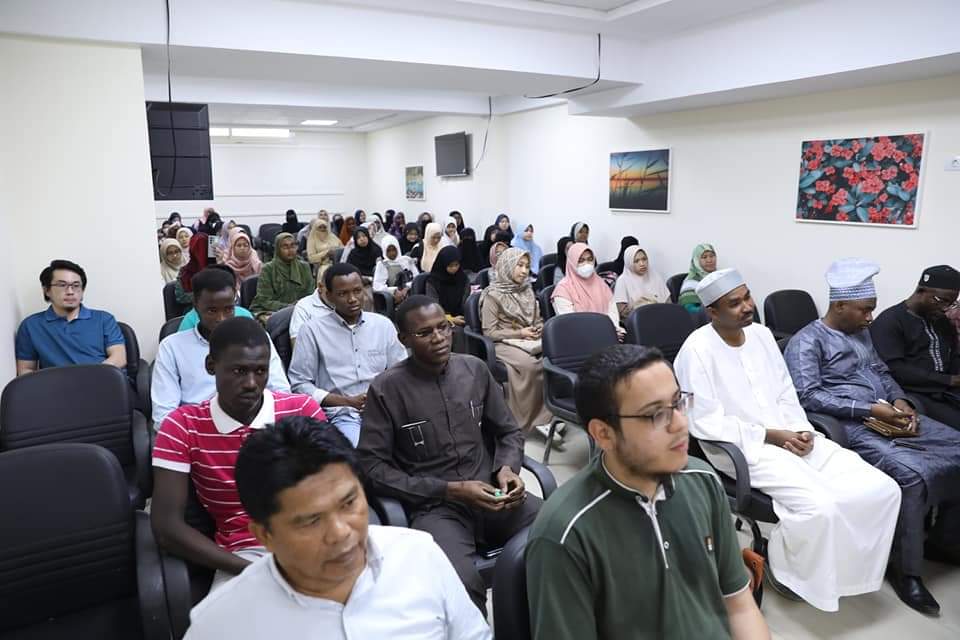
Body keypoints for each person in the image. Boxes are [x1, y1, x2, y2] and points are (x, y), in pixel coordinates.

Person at [674, 269, 901, 611]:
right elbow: (705, 422)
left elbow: (785, 392)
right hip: (741, 447)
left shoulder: (762, 335)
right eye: (734, 303)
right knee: (821, 506)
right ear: (712, 312)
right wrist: (771, 436)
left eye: (747, 297)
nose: (747, 307)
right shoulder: (696, 351)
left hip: (789, 432)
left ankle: (843, 573)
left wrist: (800, 430)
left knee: (883, 489)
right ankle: (785, 569)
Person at [526, 344, 770, 640]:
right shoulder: (565, 532)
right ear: (604, 434)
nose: (680, 423)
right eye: (656, 414)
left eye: (678, 403)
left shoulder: (702, 480)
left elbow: (739, 606)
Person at [183, 417, 491, 640]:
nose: (341, 533)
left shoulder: (418, 555)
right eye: (311, 520)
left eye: (349, 503)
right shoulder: (219, 626)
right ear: (265, 535)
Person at [784, 258, 960, 615]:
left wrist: (900, 400)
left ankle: (943, 542)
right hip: (850, 425)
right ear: (840, 306)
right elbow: (809, 397)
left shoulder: (861, 334)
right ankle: (906, 570)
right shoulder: (807, 342)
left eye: (872, 309)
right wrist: (869, 410)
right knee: (912, 476)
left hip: (888, 412)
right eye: (865, 310)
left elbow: (881, 370)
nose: (870, 318)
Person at [357, 296, 539, 611]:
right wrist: (450, 490)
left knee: (561, 534)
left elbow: (508, 431)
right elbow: (372, 469)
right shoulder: (386, 389)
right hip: (437, 507)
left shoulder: (474, 370)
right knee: (457, 583)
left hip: (494, 493)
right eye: (424, 333)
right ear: (404, 339)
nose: (439, 338)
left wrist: (507, 470)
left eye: (443, 327)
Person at [151, 317, 324, 590]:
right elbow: (166, 527)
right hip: (244, 556)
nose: (252, 383)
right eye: (239, 371)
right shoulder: (182, 427)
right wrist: (256, 571)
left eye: (260, 371)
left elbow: (335, 492)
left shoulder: (302, 411)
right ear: (211, 366)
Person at [152, 268, 290, 426]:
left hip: (255, 425)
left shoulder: (257, 339)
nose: (221, 319)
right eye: (212, 311)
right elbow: (164, 415)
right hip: (197, 430)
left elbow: (281, 393)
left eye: (228, 309)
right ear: (196, 306)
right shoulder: (172, 348)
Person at [288, 264, 407, 446]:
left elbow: (402, 372)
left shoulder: (383, 326)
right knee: (359, 452)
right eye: (343, 294)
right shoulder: (312, 331)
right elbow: (299, 384)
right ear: (328, 296)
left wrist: (382, 400)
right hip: (342, 415)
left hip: (385, 410)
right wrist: (347, 401)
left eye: (357, 291)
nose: (352, 299)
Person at [870, 265, 960, 428]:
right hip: (917, 393)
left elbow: (954, 355)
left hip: (948, 390)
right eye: (941, 300)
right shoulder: (890, 321)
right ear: (921, 291)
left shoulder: (940, 320)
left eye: (951, 303)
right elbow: (895, 369)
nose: (945, 308)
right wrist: (950, 380)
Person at [480, 248, 554, 438]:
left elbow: (537, 319)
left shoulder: (527, 290)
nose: (524, 271)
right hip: (502, 342)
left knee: (551, 358)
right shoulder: (492, 295)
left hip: (528, 339)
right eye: (519, 265)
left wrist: (538, 328)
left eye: (527, 266)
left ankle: (546, 417)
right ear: (507, 266)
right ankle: (524, 421)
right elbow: (489, 332)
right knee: (529, 365)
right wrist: (520, 333)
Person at [15, 260, 126, 375]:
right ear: (47, 290)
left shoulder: (104, 319)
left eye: (76, 286)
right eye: (62, 285)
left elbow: (119, 358)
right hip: (57, 384)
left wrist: (90, 376)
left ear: (82, 290)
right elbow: (25, 369)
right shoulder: (31, 325)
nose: (70, 291)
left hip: (102, 379)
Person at [552, 243, 624, 339]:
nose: (587, 264)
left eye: (590, 259)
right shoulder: (563, 290)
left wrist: (612, 329)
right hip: (580, 338)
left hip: (607, 334)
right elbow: (570, 323)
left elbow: (612, 311)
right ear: (572, 262)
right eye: (581, 260)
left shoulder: (600, 283)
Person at [250, 232, 314, 323]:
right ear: (277, 249)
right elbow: (264, 300)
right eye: (285, 247)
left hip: (301, 310)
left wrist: (299, 306)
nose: (290, 250)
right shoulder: (268, 269)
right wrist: (288, 307)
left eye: (293, 246)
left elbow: (310, 294)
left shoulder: (304, 267)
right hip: (273, 311)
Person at [613, 246, 671, 321]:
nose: (642, 264)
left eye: (644, 259)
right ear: (629, 263)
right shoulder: (622, 281)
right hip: (638, 322)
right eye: (636, 261)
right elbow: (622, 312)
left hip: (662, 318)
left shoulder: (655, 276)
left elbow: (669, 303)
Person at [426, 246, 470, 328]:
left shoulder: (463, 278)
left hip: (462, 318)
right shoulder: (433, 281)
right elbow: (433, 307)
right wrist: (450, 319)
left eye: (456, 265)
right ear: (442, 264)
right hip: (439, 321)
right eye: (450, 266)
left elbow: (465, 303)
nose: (454, 268)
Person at [290, 268, 334, 346]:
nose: (336, 298)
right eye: (331, 293)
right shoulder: (304, 307)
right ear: (320, 287)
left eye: (341, 294)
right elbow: (298, 346)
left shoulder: (350, 304)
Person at [372, 235, 418, 306]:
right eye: (388, 251)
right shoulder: (382, 265)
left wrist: (407, 288)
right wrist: (394, 291)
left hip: (411, 292)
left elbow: (417, 278)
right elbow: (377, 286)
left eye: (394, 249)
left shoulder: (406, 260)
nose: (392, 253)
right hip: (393, 298)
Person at [678, 243, 718, 312]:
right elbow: (689, 310)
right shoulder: (690, 282)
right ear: (696, 260)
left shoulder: (717, 277)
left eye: (712, 256)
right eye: (704, 257)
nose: (709, 260)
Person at [174, 232, 210, 305]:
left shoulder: (216, 269)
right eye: (197, 249)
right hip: (193, 307)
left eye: (204, 248)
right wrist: (204, 296)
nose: (201, 253)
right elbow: (181, 297)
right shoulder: (184, 272)